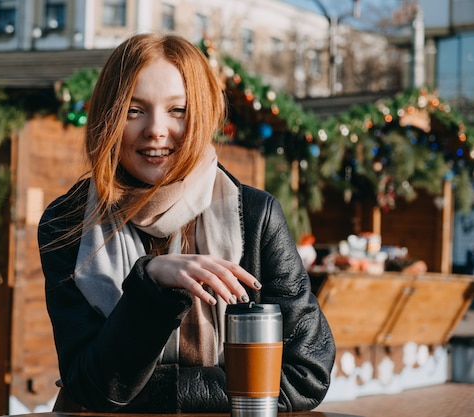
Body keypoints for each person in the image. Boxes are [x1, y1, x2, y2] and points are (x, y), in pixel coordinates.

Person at [38, 32, 335, 413]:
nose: (157, 129)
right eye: (134, 109)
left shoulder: (256, 217)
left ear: (201, 115)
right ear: (108, 117)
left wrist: (160, 390)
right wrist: (152, 284)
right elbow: (94, 386)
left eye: (177, 110)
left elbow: (305, 374)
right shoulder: (68, 225)